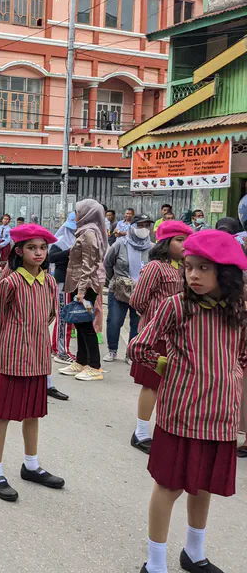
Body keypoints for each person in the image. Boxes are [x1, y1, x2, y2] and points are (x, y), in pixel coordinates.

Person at [128, 229, 247, 573]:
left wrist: (230, 378)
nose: (193, 275)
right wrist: (169, 366)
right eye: (189, 267)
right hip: (181, 415)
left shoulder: (238, 310)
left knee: (203, 487)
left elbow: (242, 355)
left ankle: (194, 553)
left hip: (220, 418)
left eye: (203, 268)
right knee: (169, 487)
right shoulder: (176, 306)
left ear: (225, 274)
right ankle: (156, 561)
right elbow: (139, 346)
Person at [0, 224, 65, 503]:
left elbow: (51, 315)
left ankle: (31, 465)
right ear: (19, 251)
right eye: (32, 248)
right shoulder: (9, 282)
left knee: (33, 414)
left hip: (40, 359)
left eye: (43, 247)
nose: (39, 252)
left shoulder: (50, 282)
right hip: (12, 360)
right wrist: (12, 340)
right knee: (3, 414)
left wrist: (34, 339)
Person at [127, 220, 193, 455]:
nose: (184, 245)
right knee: (151, 385)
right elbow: (138, 300)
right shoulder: (156, 267)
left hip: (178, 336)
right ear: (166, 243)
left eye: (186, 240)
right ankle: (141, 433)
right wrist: (156, 318)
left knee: (171, 385)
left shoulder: (185, 267)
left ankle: (164, 429)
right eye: (179, 240)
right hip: (155, 336)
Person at [60, 199, 106, 381]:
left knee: (86, 324)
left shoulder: (89, 233)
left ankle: (94, 366)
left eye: (78, 211)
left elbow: (88, 265)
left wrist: (81, 292)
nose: (76, 215)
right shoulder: (87, 231)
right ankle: (81, 361)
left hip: (86, 287)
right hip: (81, 284)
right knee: (79, 322)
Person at [102, 214, 154, 363]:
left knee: (137, 323)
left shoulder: (152, 247)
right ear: (132, 226)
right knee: (114, 320)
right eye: (140, 225)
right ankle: (112, 350)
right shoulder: (120, 244)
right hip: (119, 290)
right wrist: (115, 280)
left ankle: (130, 354)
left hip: (141, 292)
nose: (143, 229)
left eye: (146, 225)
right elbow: (108, 264)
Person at [48, 213, 76, 369]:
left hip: (73, 281)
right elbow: (50, 258)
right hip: (63, 281)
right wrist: (69, 252)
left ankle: (58, 347)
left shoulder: (78, 241)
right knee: (64, 316)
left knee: (66, 316)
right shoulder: (61, 241)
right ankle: (61, 351)